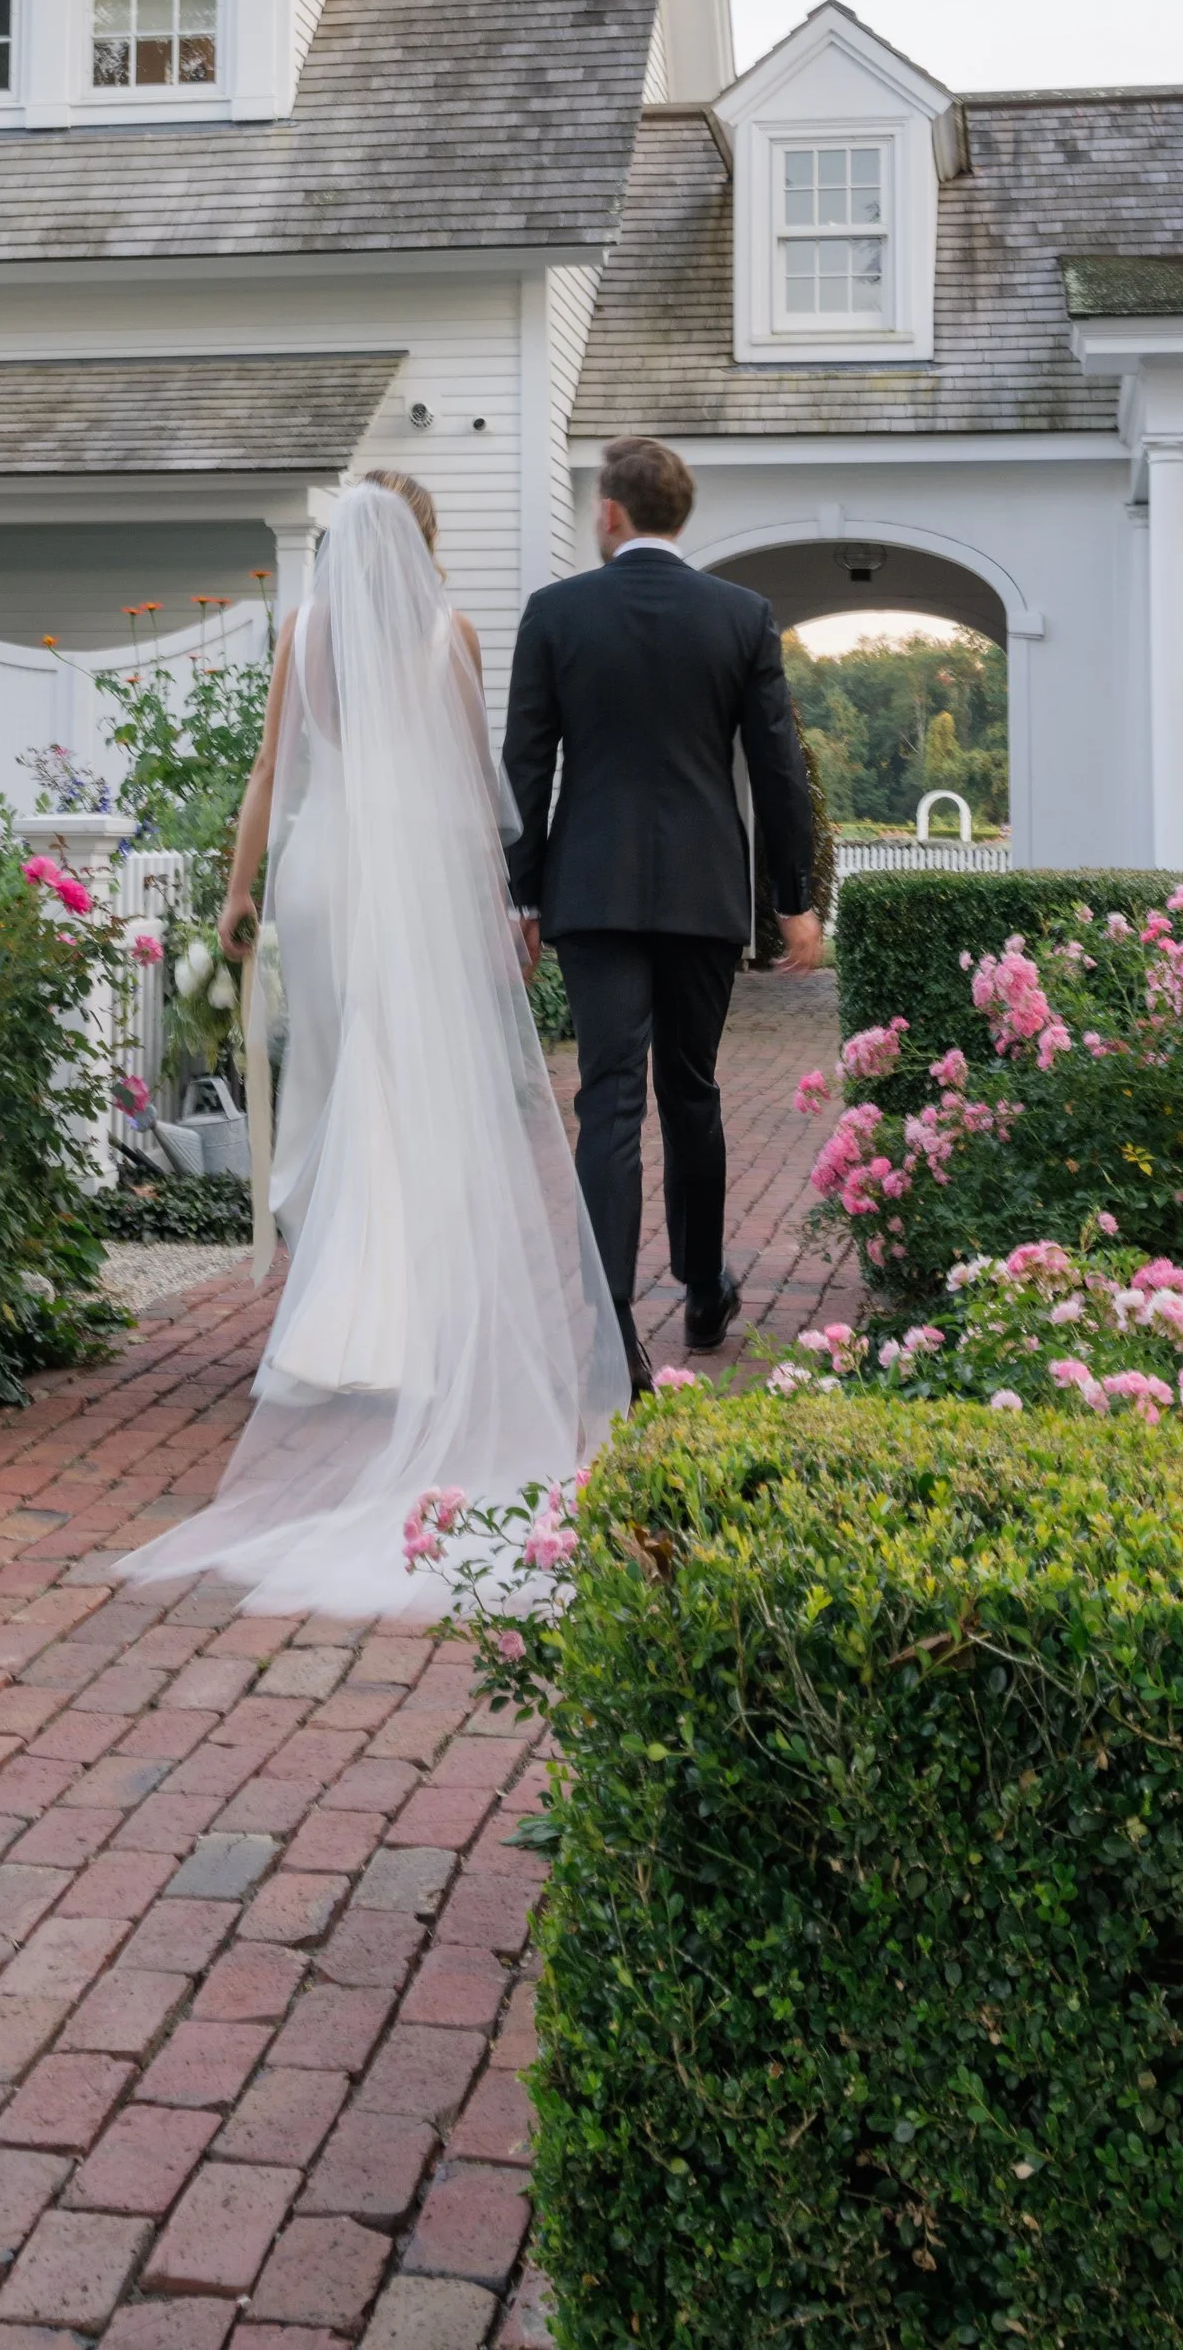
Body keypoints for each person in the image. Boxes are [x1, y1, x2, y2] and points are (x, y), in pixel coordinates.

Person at [118, 469, 627, 1616]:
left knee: (340, 1084)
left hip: (318, 867)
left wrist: (236, 897)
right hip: (406, 870)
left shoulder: (303, 629)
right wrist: (498, 903)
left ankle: (334, 1319)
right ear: (423, 541)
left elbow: (266, 775)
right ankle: (402, 1320)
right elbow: (470, 787)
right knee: (413, 1091)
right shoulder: (448, 632)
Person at [501, 434, 824, 1397]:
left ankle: (610, 1336)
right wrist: (796, 901)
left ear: (611, 511)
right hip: (703, 895)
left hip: (591, 892)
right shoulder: (740, 617)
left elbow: (527, 764)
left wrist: (521, 893)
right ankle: (702, 1289)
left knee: (610, 1099)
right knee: (692, 1091)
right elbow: (778, 770)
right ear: (679, 514)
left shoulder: (556, 612)